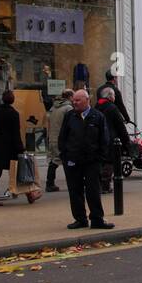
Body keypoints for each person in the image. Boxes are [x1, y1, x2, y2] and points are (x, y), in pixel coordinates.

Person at [58, 89, 113, 230]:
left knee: (93, 191)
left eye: (78, 100)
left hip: (92, 162)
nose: (74, 103)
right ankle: (80, 219)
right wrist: (65, 156)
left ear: (87, 100)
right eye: (74, 100)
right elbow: (62, 137)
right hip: (73, 161)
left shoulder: (98, 117)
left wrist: (100, 158)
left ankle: (96, 219)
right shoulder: (70, 116)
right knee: (75, 191)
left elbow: (104, 139)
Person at [0, 90, 40, 206]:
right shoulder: (14, 114)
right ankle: (30, 194)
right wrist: (21, 148)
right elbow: (16, 133)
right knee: (21, 171)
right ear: (12, 100)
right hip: (12, 147)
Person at [97, 86, 131, 194]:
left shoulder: (96, 106)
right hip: (111, 139)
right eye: (114, 96)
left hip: (98, 138)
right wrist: (127, 141)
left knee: (101, 162)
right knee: (109, 162)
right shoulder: (112, 108)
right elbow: (120, 126)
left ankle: (99, 184)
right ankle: (105, 185)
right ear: (111, 97)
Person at [45, 90, 72, 192]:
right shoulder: (68, 108)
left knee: (53, 161)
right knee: (67, 161)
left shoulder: (53, 108)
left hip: (52, 138)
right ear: (69, 97)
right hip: (61, 139)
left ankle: (50, 183)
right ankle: (71, 182)